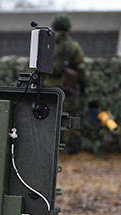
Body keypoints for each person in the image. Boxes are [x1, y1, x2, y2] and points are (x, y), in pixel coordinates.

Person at [43, 14, 86, 154]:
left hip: (47, 86)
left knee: (47, 115)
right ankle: (69, 147)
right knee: (68, 116)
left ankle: (47, 144)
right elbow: (80, 67)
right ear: (68, 28)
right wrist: (83, 86)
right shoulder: (73, 46)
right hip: (66, 86)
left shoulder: (46, 44)